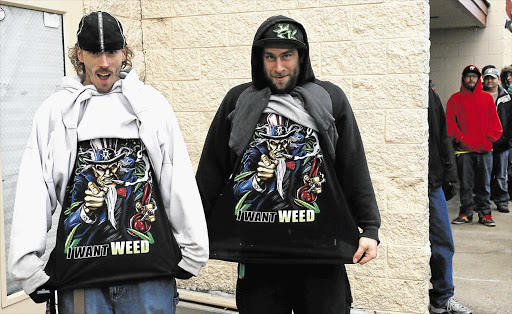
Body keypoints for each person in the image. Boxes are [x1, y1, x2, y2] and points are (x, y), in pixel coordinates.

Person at [8, 11, 208, 313]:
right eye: (94, 52)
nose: (104, 63)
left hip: (148, 277)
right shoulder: (56, 111)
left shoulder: (151, 105)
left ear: (124, 53)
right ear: (79, 54)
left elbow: (175, 175)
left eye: (112, 52)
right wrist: (27, 268)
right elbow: (36, 188)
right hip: (81, 280)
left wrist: (193, 251)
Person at [196, 15, 381, 313]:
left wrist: (370, 227)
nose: (279, 67)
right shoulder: (238, 101)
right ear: (259, 59)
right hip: (259, 254)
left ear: (301, 57)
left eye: (287, 56)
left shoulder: (329, 98)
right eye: (270, 57)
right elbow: (211, 171)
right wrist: (192, 229)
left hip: (322, 252)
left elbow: (353, 166)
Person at [427, 80, 472, 314]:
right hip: (401, 181)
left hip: (432, 180)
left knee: (443, 241)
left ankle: (442, 297)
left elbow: (443, 137)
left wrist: (449, 176)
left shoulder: (430, 94)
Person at [446, 65, 502, 227]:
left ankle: (485, 214)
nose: (471, 79)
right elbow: (450, 123)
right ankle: (465, 213)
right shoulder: (454, 99)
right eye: (468, 76)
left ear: (479, 79)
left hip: (484, 150)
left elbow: (496, 124)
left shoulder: (486, 99)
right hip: (463, 150)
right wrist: (460, 138)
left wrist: (488, 139)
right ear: (463, 78)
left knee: (483, 184)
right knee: (465, 184)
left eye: (474, 76)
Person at [482, 66, 512, 213]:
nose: (489, 80)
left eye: (492, 78)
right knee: (484, 176)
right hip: (484, 143)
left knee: (501, 175)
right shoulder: (478, 96)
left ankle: (502, 201)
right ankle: (484, 203)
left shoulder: (507, 97)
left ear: (498, 80)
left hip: (502, 144)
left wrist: (508, 140)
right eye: (487, 77)